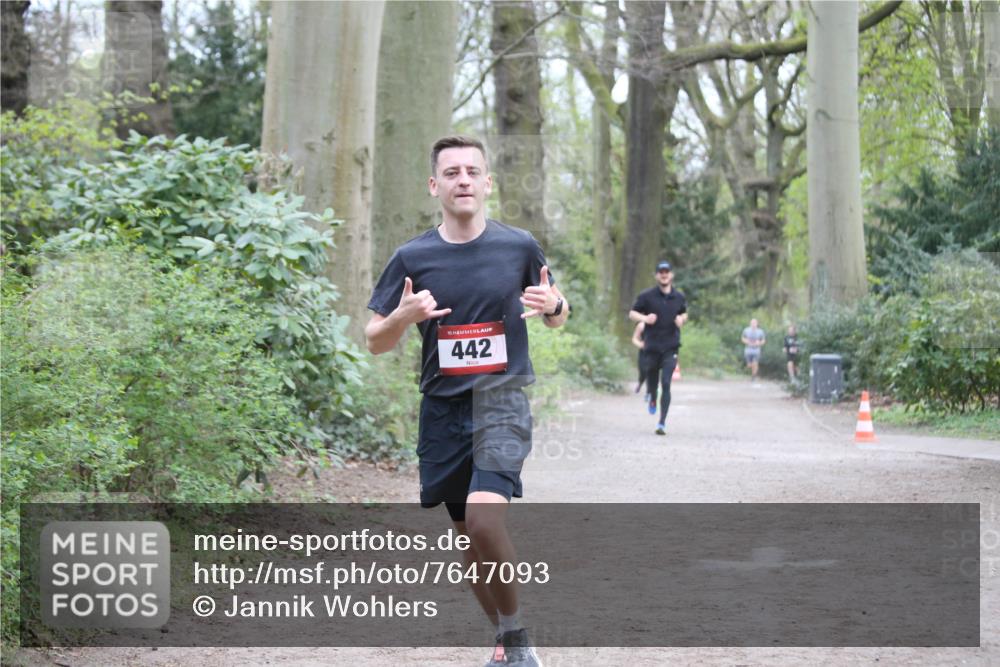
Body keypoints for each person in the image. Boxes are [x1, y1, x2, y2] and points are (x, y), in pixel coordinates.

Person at [365, 135, 567, 667]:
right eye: (451, 173)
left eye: (472, 172)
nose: (463, 180)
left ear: (488, 183)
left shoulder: (519, 245)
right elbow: (374, 340)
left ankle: (519, 644)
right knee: (467, 541)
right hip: (442, 411)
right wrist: (402, 318)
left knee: (483, 523)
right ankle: (506, 633)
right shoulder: (413, 257)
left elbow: (554, 309)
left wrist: (555, 304)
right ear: (435, 186)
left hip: (500, 401)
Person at [628, 261, 688, 435]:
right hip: (651, 347)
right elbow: (632, 313)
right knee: (652, 384)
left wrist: (682, 319)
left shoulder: (678, 296)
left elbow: (684, 312)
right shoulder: (647, 296)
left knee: (667, 383)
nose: (664, 274)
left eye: (666, 272)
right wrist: (645, 319)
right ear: (656, 275)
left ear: (671, 275)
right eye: (661, 272)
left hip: (671, 347)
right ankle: (652, 398)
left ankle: (661, 423)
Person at [741, 318, 766, 382]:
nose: (753, 324)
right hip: (748, 350)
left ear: (757, 324)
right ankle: (753, 372)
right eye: (752, 323)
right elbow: (742, 338)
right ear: (750, 323)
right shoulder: (746, 330)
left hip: (756, 350)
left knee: (755, 363)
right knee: (749, 365)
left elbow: (763, 340)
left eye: (755, 323)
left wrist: (759, 343)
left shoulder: (760, 331)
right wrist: (746, 341)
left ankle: (754, 376)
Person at [631, 321, 647, 394]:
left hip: (654, 351)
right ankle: (640, 383)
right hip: (644, 351)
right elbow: (634, 339)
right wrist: (640, 344)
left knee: (651, 371)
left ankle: (650, 391)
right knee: (643, 370)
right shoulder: (641, 325)